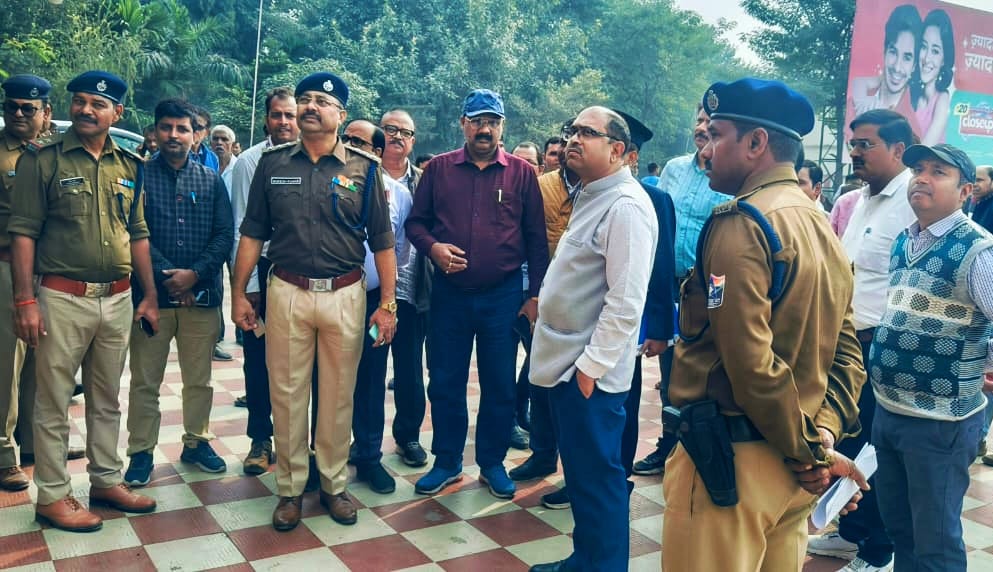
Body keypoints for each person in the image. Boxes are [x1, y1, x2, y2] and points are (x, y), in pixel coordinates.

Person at [662, 78, 867, 572]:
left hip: (732, 464)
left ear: (756, 143)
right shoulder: (817, 222)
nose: (705, 150)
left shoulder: (743, 222)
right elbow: (847, 353)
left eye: (717, 135)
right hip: (793, 465)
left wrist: (811, 453)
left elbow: (750, 364)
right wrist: (822, 437)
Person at [232, 72, 397, 531]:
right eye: (304, 99)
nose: (310, 107)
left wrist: (387, 303)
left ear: (340, 115)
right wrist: (239, 292)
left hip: (345, 294)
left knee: (339, 395)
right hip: (286, 292)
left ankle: (333, 484)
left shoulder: (365, 168)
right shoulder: (272, 164)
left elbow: (383, 241)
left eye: (322, 102)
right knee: (286, 394)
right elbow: (252, 234)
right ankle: (289, 489)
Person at [9, 70, 159, 531]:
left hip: (117, 299)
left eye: (97, 104)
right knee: (53, 401)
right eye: (80, 101)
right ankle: (53, 496)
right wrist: (25, 301)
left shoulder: (130, 164)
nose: (86, 110)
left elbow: (138, 233)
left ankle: (106, 480)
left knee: (106, 398)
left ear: (118, 112)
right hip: (61, 296)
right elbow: (23, 233)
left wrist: (150, 295)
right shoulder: (43, 159)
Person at [528, 107, 658, 572]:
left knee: (599, 479)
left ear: (618, 150)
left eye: (587, 132)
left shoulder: (626, 206)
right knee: (582, 476)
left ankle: (601, 566)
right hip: (568, 362)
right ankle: (584, 561)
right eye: (572, 130)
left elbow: (626, 303)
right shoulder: (593, 194)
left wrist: (590, 369)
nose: (573, 139)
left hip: (588, 374)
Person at [405, 88, 549, 500]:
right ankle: (447, 462)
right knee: (445, 381)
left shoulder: (522, 173)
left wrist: (534, 296)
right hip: (449, 296)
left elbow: (536, 239)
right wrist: (433, 248)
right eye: (477, 121)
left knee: (499, 383)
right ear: (463, 124)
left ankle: (491, 462)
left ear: (503, 126)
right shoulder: (439, 169)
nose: (485, 129)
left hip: (503, 297)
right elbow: (415, 224)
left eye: (492, 122)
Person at [870, 143, 992, 571]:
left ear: (965, 191)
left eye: (938, 172)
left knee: (936, 542)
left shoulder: (978, 250)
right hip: (889, 411)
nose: (922, 178)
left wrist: (984, 361)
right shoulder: (904, 241)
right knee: (900, 529)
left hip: (940, 423)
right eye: (918, 169)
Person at [809, 109, 917, 572]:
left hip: (883, 348)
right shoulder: (861, 199)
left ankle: (879, 551)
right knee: (851, 443)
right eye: (853, 144)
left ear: (898, 149)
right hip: (849, 347)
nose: (855, 153)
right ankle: (850, 532)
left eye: (866, 144)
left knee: (880, 453)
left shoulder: (911, 200)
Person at [123, 98, 234, 486]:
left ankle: (196, 442)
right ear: (154, 132)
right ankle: (141, 452)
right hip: (150, 298)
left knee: (199, 379)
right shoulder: (137, 175)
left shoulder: (211, 180)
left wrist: (195, 275)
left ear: (195, 135)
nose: (174, 135)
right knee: (145, 381)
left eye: (182, 129)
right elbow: (132, 232)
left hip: (201, 299)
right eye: (166, 127)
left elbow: (224, 235)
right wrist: (170, 277)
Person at [632, 103, 731, 477]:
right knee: (671, 373)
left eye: (711, 122)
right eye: (699, 120)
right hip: (670, 288)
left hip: (711, 290)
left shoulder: (728, 176)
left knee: (707, 373)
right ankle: (669, 445)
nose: (702, 128)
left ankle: (705, 452)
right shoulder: (674, 169)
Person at [229, 87, 300, 475]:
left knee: (302, 365)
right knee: (259, 362)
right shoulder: (249, 161)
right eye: (277, 115)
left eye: (291, 115)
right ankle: (260, 439)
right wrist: (247, 289)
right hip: (263, 269)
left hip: (303, 273)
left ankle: (303, 443)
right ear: (266, 119)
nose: (284, 122)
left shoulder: (314, 157)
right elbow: (243, 228)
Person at [343, 119, 413, 494]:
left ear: (377, 152)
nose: (352, 148)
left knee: (371, 379)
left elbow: (399, 253)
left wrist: (388, 305)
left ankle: (368, 455)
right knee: (325, 378)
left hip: (374, 301)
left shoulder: (398, 194)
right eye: (347, 140)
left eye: (361, 144)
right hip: (331, 298)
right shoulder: (326, 183)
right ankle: (322, 457)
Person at [379, 109, 430, 468]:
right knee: (368, 364)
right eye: (390, 129)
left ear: (413, 140)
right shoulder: (359, 174)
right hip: (370, 293)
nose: (397, 136)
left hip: (412, 295)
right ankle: (363, 438)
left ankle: (408, 436)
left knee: (410, 366)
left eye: (405, 132)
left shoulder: (426, 182)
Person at [850, 4, 923, 136]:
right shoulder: (857, 100)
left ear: (914, 66)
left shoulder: (912, 128)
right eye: (893, 52)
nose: (897, 67)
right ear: (884, 52)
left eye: (907, 58)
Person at [910, 10, 954, 146]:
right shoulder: (912, 94)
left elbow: (923, 151)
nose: (926, 58)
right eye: (924, 47)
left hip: (925, 160)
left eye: (935, 51)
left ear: (943, 60)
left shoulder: (942, 99)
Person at [211, 124, 238, 191]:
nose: (219, 142)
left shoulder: (238, 167)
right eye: (215, 139)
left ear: (233, 145)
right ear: (210, 143)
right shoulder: (205, 164)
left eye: (224, 139)